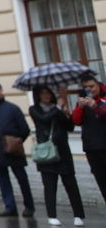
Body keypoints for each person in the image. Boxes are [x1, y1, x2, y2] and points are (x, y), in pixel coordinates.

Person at [30, 85, 85, 227]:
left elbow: (70, 127)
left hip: (63, 152)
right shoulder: (34, 109)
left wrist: (66, 113)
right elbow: (44, 119)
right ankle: (52, 215)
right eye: (43, 93)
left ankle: (78, 215)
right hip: (46, 153)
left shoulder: (58, 109)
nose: (46, 95)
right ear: (38, 95)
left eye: (48, 93)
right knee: (49, 186)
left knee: (71, 185)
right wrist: (58, 109)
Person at [0, 79, 36, 217]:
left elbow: (24, 129)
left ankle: (29, 206)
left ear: (1, 90)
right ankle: (10, 206)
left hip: (13, 150)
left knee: (22, 178)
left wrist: (15, 141)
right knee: (3, 179)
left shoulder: (12, 108)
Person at [71, 71, 106, 203]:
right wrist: (80, 107)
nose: (90, 90)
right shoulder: (83, 101)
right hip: (92, 147)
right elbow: (76, 121)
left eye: (92, 86)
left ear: (97, 84)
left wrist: (96, 106)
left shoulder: (104, 97)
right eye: (87, 87)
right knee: (102, 181)